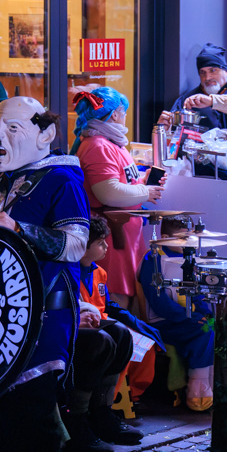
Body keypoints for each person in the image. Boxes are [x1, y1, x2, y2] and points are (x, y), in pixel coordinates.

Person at [0, 97, 90, 452]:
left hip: (43, 314)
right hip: (5, 314)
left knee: (33, 412)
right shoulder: (12, 175)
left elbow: (76, 244)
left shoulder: (61, 178)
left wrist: (17, 228)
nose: (0, 137)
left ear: (46, 134)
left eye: (13, 128)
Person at [65, 215, 153, 452]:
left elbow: (106, 307)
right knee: (101, 342)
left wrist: (134, 322)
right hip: (66, 328)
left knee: (123, 334)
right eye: (101, 242)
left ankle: (102, 412)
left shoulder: (99, 273)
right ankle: (77, 419)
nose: (106, 247)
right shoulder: (65, 271)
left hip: (92, 323)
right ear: (83, 245)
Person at [73, 87, 164, 307]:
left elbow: (120, 184)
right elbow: (108, 192)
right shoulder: (98, 145)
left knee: (126, 293)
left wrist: (143, 182)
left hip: (122, 234)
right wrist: (145, 191)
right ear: (115, 113)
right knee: (114, 294)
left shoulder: (109, 143)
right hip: (111, 236)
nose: (125, 117)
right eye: (123, 112)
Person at [136, 215, 216, 412]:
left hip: (189, 319)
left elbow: (197, 294)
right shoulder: (153, 259)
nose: (187, 242)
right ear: (164, 236)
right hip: (164, 322)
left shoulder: (188, 258)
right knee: (204, 332)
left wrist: (206, 315)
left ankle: (215, 385)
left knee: (215, 326)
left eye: (189, 237)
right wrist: (189, 318)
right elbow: (159, 302)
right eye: (182, 238)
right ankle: (198, 389)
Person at [159, 43, 227, 141]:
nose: (207, 77)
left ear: (226, 72)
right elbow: (173, 141)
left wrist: (213, 101)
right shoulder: (187, 100)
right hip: (203, 163)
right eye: (202, 72)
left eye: (213, 70)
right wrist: (164, 129)